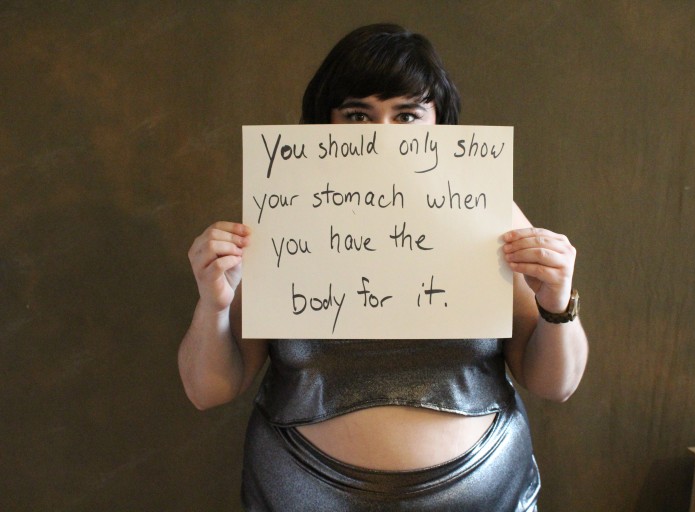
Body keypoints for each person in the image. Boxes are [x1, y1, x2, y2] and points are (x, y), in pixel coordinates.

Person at [179, 23, 588, 511]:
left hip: (484, 491)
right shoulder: (281, 214)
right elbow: (209, 390)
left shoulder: (485, 209)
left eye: (407, 115)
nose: (381, 134)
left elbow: (554, 384)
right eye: (358, 115)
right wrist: (213, 304)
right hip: (305, 493)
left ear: (438, 122)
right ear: (326, 122)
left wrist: (557, 303)